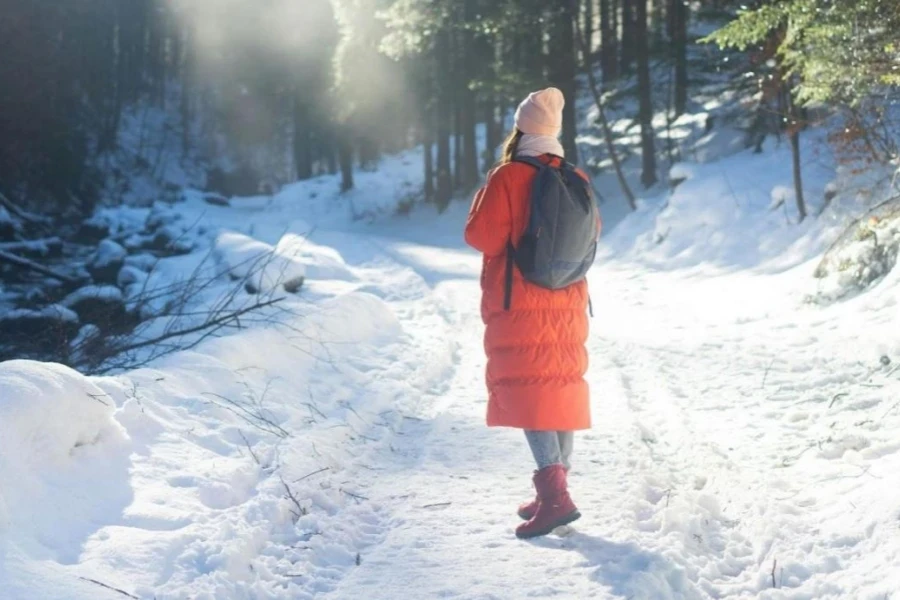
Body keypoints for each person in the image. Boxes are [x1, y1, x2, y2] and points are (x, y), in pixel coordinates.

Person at [463, 87, 599, 539]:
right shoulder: (574, 175)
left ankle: (556, 496)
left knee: (529, 393)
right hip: (567, 301)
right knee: (556, 389)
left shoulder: (509, 176)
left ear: (521, 129)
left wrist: (486, 193)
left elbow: (481, 237)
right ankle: (554, 490)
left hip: (521, 299)